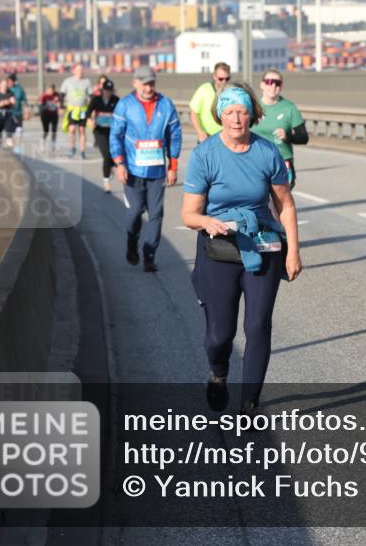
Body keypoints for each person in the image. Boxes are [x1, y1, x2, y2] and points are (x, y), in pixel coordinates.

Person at [182, 84, 302, 416]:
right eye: (230, 112)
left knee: (258, 326)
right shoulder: (206, 154)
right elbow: (187, 214)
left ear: (252, 114)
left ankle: (250, 403)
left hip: (263, 245)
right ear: (220, 115)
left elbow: (286, 205)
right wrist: (206, 221)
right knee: (220, 335)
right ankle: (219, 374)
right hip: (219, 248)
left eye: (242, 111)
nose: (237, 119)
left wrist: (293, 251)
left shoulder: (266, 152)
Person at [110, 65, 182, 272]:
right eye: (144, 83)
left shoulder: (166, 105)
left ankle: (149, 255)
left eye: (151, 83)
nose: (148, 88)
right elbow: (115, 135)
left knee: (156, 214)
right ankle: (132, 242)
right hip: (132, 171)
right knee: (133, 214)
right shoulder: (125, 105)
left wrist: (173, 165)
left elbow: (174, 135)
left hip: (157, 172)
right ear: (135, 83)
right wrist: (119, 163)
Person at [250, 70, 308, 189]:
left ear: (281, 86)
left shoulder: (289, 107)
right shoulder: (253, 107)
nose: (273, 86)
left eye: (277, 83)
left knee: (281, 204)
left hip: (282, 162)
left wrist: (287, 136)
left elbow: (303, 137)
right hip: (255, 161)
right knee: (258, 201)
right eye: (269, 82)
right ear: (262, 85)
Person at [87, 79, 120, 193]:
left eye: (110, 91)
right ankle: (106, 182)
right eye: (106, 90)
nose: (108, 93)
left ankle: (110, 167)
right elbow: (87, 112)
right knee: (106, 155)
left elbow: (122, 115)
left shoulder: (116, 100)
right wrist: (90, 120)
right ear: (102, 90)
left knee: (113, 153)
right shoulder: (96, 100)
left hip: (113, 131)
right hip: (99, 131)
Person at [188, 62, 231, 143]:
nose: (224, 81)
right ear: (214, 77)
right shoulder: (204, 89)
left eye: (227, 79)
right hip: (207, 137)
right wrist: (200, 132)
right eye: (221, 79)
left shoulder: (232, 92)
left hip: (226, 137)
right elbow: (193, 113)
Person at [60, 64, 92, 159]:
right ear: (74, 71)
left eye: (82, 70)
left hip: (82, 109)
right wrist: (61, 106)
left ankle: (82, 151)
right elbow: (61, 94)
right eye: (78, 70)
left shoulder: (87, 82)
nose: (80, 72)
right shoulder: (68, 81)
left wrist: (92, 109)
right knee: (72, 129)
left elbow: (91, 95)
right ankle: (72, 147)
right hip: (72, 109)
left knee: (82, 130)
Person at [7, 73, 28, 155]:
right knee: (9, 132)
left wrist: (26, 111)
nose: (9, 83)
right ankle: (9, 148)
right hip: (8, 113)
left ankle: (17, 147)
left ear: (14, 81)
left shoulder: (19, 89)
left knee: (19, 130)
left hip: (18, 112)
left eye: (10, 81)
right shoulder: (6, 89)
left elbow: (25, 100)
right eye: (8, 81)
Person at [39, 84, 61, 150]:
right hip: (45, 115)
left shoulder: (56, 95)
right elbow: (40, 105)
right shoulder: (44, 96)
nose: (51, 92)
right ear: (47, 90)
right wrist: (44, 107)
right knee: (46, 130)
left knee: (54, 130)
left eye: (52, 90)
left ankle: (53, 145)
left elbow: (60, 103)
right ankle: (42, 141)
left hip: (54, 115)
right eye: (50, 90)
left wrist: (58, 102)